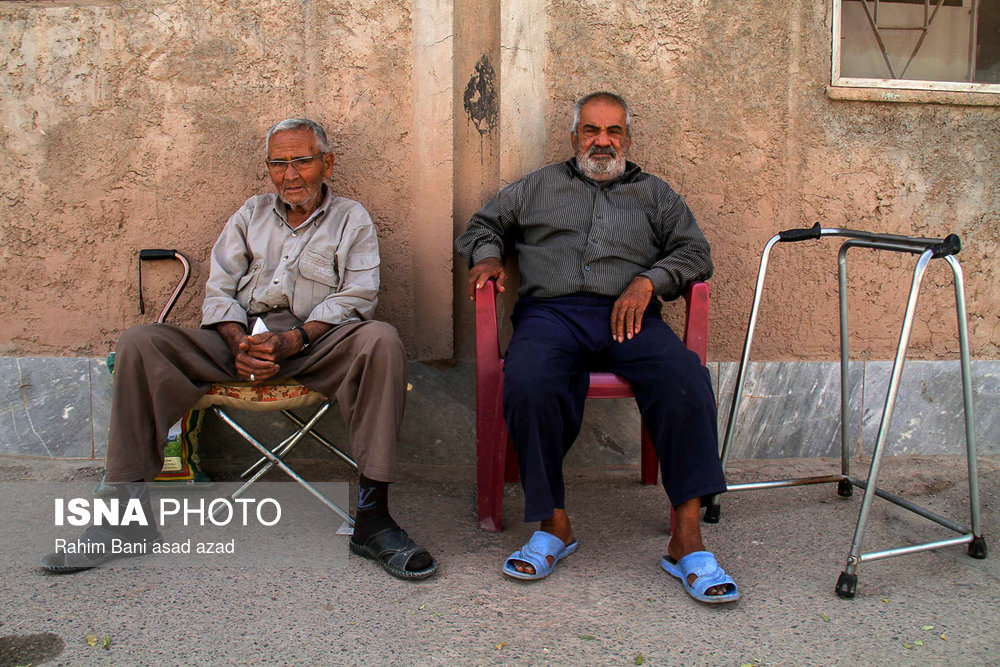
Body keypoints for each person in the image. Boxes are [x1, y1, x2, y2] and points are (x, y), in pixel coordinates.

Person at [43, 118, 437, 580]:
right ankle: (124, 521)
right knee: (140, 342)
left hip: (315, 345)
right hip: (237, 342)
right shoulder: (249, 214)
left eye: (302, 161)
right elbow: (218, 291)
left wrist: (292, 340)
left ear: (327, 163)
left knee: (381, 339)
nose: (290, 174)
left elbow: (358, 298)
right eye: (278, 163)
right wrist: (238, 342)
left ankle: (373, 519)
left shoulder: (352, 219)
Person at [456, 92, 737, 603]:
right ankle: (553, 524)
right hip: (551, 316)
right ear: (574, 137)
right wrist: (489, 254)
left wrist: (650, 281)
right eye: (591, 131)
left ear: (627, 139)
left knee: (686, 379)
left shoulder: (655, 195)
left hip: (631, 316)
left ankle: (688, 537)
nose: (602, 142)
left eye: (613, 132)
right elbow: (483, 224)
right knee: (529, 380)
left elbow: (695, 252)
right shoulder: (538, 186)